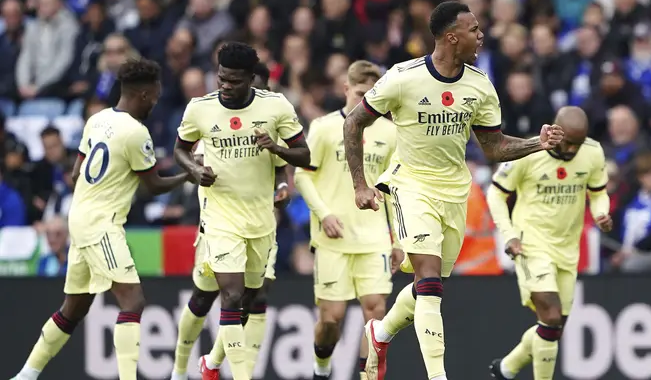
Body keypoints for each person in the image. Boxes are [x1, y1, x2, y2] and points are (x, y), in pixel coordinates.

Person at [342, 1, 564, 380]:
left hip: (454, 191)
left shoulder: (479, 85)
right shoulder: (402, 77)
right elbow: (354, 123)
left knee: (428, 286)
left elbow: (493, 148)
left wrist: (536, 143)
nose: (481, 36)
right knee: (428, 283)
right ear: (451, 37)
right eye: (474, 29)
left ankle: (379, 333)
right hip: (410, 185)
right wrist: (361, 184)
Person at [12, 59, 190, 380]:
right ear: (145, 95)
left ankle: (25, 375)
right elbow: (153, 186)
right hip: (101, 224)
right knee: (132, 301)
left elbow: (77, 170)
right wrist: (188, 174)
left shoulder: (97, 119)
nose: (157, 101)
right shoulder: (137, 133)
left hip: (79, 217)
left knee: (74, 309)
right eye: (156, 95)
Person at [173, 42, 309, 380]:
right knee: (227, 295)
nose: (225, 86)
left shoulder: (276, 107)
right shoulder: (200, 109)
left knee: (249, 297)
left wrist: (274, 148)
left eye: (234, 81)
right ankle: (199, 371)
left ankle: (211, 364)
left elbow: (304, 155)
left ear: (251, 79)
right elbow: (180, 150)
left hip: (261, 218)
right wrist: (193, 172)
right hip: (219, 216)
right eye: (221, 78)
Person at [485, 106, 612, 380]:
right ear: (555, 131)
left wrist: (601, 212)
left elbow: (599, 192)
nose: (572, 150)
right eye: (567, 142)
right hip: (531, 244)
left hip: (568, 248)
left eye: (577, 144)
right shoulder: (527, 152)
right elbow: (495, 194)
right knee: (551, 316)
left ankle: (506, 368)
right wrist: (509, 234)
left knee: (554, 329)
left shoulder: (592, 152)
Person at [294, 60, 402, 380]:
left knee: (375, 311)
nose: (365, 100)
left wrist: (398, 240)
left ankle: (368, 376)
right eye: (359, 93)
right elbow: (302, 176)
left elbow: (394, 191)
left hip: (374, 237)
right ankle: (322, 366)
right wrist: (323, 214)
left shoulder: (390, 132)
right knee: (332, 320)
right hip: (333, 238)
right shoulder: (325, 128)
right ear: (345, 89)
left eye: (372, 95)